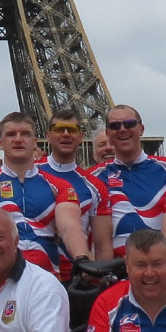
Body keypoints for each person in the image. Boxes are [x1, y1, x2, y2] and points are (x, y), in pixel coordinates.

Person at [0, 112, 93, 280]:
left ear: (35, 142)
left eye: (25, 134)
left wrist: (81, 258)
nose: (18, 139)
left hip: (44, 279)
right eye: (11, 134)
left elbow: (69, 226)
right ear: (1, 143)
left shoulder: (61, 186)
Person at [91, 105, 166, 260]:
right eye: (115, 126)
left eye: (129, 123)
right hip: (115, 273)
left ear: (141, 129)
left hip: (164, 270)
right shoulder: (92, 179)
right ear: (108, 134)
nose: (122, 129)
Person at [39, 108, 114, 263]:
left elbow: (102, 245)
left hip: (76, 275)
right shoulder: (28, 174)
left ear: (80, 137)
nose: (66, 134)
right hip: (36, 273)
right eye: (59, 129)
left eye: (72, 130)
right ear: (48, 136)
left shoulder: (95, 186)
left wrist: (101, 277)